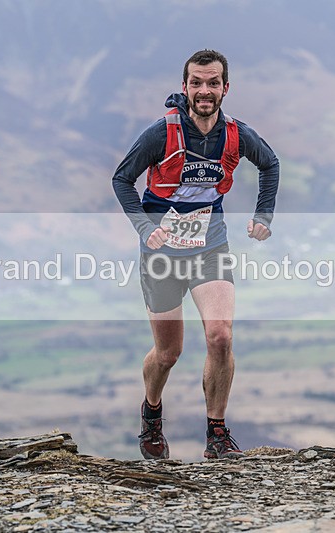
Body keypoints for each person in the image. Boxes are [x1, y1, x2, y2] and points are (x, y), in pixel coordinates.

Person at [112, 49, 279, 460]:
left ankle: (217, 434)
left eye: (213, 83)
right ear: (185, 87)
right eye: (197, 83)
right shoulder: (160, 133)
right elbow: (122, 179)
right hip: (162, 255)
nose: (205, 91)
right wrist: (145, 229)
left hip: (210, 246)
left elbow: (270, 164)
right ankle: (152, 413)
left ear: (225, 88)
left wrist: (264, 215)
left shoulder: (237, 134)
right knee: (168, 353)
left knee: (220, 337)